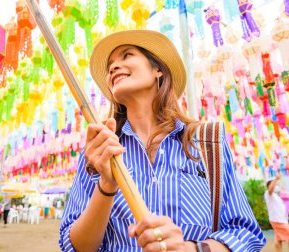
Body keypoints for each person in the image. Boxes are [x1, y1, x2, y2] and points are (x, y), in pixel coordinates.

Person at [59, 30, 266, 251]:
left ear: (158, 69)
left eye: (127, 55)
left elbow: (245, 233)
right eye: (110, 64)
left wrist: (192, 249)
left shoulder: (207, 142)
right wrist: (107, 185)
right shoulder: (99, 150)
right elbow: (73, 246)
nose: (113, 67)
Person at [265, 171, 289, 252]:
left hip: (280, 220)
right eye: (273, 184)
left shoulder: (276, 195)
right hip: (278, 221)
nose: (276, 185)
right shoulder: (268, 194)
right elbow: (271, 189)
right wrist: (276, 179)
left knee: (278, 241)